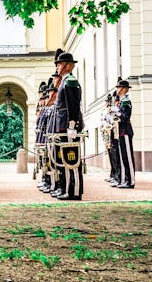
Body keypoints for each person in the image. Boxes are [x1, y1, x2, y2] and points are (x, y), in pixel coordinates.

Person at [53, 49, 83, 200]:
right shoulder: (64, 81)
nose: (57, 67)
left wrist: (72, 125)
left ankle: (75, 191)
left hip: (68, 125)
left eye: (60, 64)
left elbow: (73, 105)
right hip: (62, 125)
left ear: (68, 66)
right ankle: (68, 189)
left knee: (72, 160)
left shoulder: (70, 81)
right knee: (65, 159)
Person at [111, 78, 135, 189]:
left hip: (125, 130)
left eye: (119, 87)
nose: (118, 89)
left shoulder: (125, 101)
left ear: (125, 89)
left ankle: (130, 181)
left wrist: (117, 112)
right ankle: (125, 179)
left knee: (127, 157)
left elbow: (125, 116)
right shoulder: (121, 101)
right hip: (121, 131)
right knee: (122, 157)